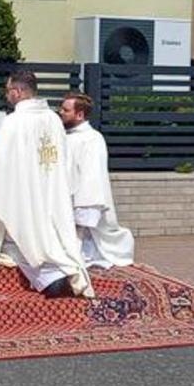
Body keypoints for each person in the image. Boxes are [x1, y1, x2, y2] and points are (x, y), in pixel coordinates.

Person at [0, 70, 93, 298]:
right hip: (52, 189)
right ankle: (66, 267)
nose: (7, 96)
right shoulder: (54, 119)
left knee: (25, 238)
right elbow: (63, 156)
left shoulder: (13, 122)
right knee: (53, 233)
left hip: (26, 193)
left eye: (8, 90)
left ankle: (53, 280)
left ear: (17, 91)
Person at [58, 91, 135, 267]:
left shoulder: (92, 139)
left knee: (83, 245)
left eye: (65, 109)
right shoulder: (66, 136)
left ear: (79, 115)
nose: (60, 112)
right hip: (63, 199)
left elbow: (92, 177)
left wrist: (84, 212)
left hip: (82, 202)